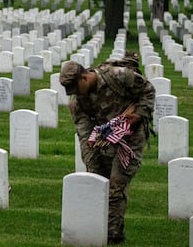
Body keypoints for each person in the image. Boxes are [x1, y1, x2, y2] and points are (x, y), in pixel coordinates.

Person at [60, 53, 155, 245]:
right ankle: (99, 229)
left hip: (131, 138)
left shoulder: (119, 76)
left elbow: (148, 90)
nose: (75, 94)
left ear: (85, 77)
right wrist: (91, 168)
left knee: (115, 186)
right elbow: (85, 136)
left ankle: (112, 236)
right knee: (97, 183)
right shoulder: (78, 102)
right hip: (107, 138)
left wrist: (138, 115)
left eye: (76, 88)